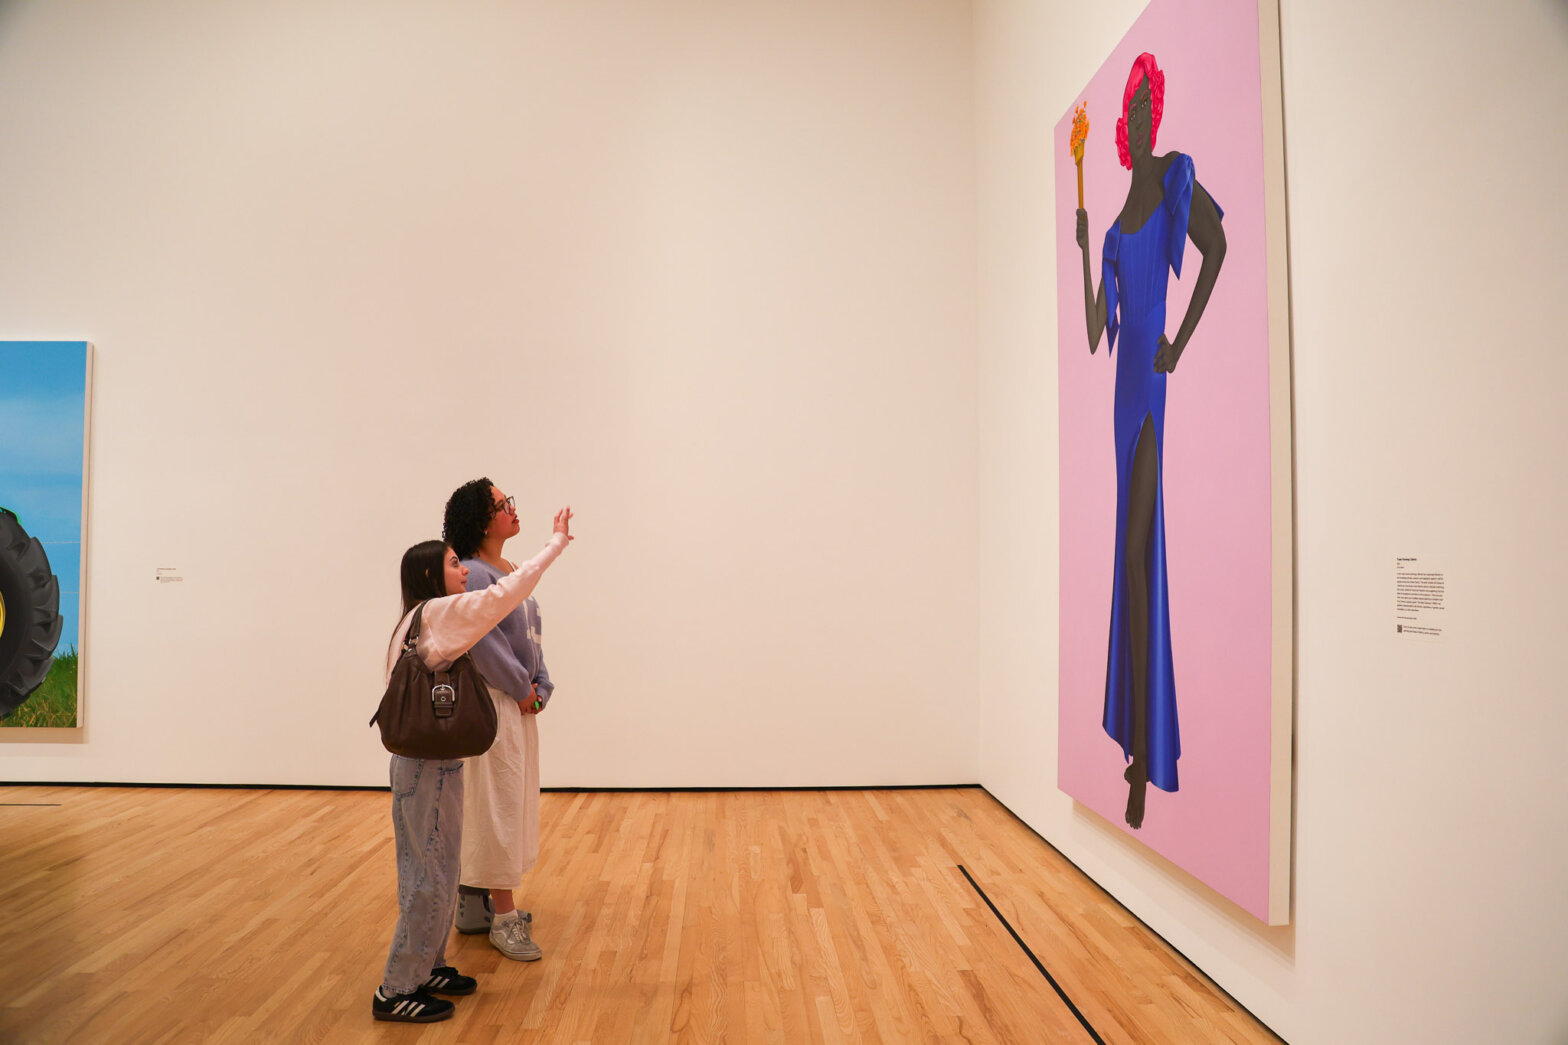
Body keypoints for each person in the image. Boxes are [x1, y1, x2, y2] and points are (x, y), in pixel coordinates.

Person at [1074, 52, 1226, 830]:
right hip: (1119, 392)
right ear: (1121, 128)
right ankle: (1135, 743)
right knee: (1127, 558)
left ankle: (1140, 754)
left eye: (1145, 106)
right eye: (1130, 111)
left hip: (1151, 389)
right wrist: (1082, 249)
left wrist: (1180, 345)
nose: (1138, 120)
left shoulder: (1171, 178)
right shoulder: (1109, 226)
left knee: (1137, 553)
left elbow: (1216, 248)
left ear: (1155, 113)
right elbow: (1095, 330)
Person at [373, 506, 573, 1022]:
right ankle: (396, 989)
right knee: (427, 876)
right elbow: (507, 593)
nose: (463, 570)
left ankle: (428, 967)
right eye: (452, 564)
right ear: (430, 575)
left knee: (438, 871)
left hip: (430, 765)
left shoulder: (420, 618)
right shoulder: (441, 614)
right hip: (424, 768)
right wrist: (555, 544)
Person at [441, 478, 557, 962]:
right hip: (493, 705)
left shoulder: (507, 569)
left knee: (506, 802)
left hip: (516, 703)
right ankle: (504, 918)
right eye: (501, 504)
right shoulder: (474, 575)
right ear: (482, 520)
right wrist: (521, 687)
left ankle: (472, 907)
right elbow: (486, 646)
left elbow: (530, 640)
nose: (512, 508)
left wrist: (541, 685)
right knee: (498, 807)